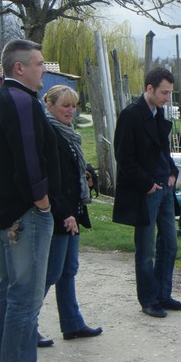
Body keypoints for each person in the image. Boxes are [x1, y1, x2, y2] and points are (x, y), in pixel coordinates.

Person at [0, 39, 61, 362]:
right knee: (25, 299)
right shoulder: (22, 102)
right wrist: (42, 201)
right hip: (26, 214)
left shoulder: (0, 99)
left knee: (9, 292)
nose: (44, 69)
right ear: (20, 68)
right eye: (40, 64)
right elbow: (28, 158)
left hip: (7, 211)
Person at [113, 67, 181, 318]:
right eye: (164, 92)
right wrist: (147, 184)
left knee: (170, 243)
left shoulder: (158, 113)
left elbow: (163, 151)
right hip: (145, 191)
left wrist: (172, 172)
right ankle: (148, 299)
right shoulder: (131, 116)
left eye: (169, 93)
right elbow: (124, 157)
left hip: (164, 187)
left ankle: (163, 295)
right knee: (145, 249)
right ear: (149, 89)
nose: (168, 97)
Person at [37, 85, 102, 345]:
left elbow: (74, 167)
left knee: (68, 270)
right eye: (65, 105)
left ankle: (72, 323)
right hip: (60, 213)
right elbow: (52, 179)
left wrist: (90, 176)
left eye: (73, 106)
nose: (71, 111)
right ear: (50, 106)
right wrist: (64, 212)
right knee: (51, 272)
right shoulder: (49, 132)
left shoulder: (69, 133)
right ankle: (26, 326)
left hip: (73, 208)